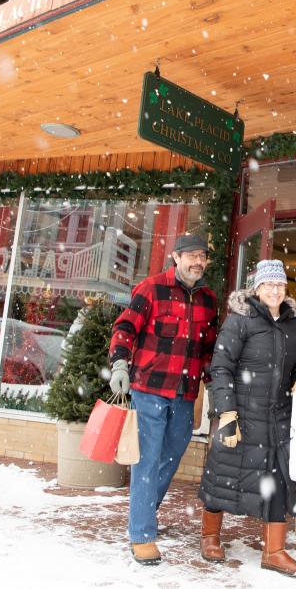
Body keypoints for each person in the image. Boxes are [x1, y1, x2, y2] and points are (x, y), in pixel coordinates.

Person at [108, 233, 219, 565]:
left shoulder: (209, 300)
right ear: (176, 257)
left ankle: (143, 511)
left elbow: (209, 349)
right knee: (147, 459)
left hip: (185, 394)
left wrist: (216, 385)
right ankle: (141, 533)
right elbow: (125, 326)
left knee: (171, 455)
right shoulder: (152, 288)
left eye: (202, 256)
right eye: (192, 256)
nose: (198, 261)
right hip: (149, 389)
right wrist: (119, 364)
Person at [197, 259, 296, 577]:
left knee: (278, 482)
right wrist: (228, 414)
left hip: (277, 419)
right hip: (242, 415)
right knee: (224, 475)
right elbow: (220, 368)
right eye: (268, 285)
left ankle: (274, 551)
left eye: (279, 285)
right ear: (257, 289)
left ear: (285, 289)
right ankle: (210, 537)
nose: (274, 290)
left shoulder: (292, 324)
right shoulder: (240, 321)